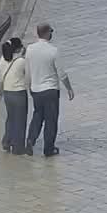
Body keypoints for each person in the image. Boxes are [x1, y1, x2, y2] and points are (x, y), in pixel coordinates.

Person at [25, 23, 72, 157]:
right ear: (46, 33)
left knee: (38, 115)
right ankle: (48, 148)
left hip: (36, 89)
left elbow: (27, 71)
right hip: (50, 90)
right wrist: (69, 88)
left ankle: (30, 139)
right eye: (50, 32)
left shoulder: (30, 50)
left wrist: (29, 87)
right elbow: (61, 73)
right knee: (51, 120)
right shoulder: (53, 51)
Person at [0, 38, 29, 155]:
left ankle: (7, 141)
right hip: (19, 93)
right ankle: (18, 147)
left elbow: (0, 77)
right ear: (18, 49)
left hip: (7, 93)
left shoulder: (2, 59)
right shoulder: (21, 61)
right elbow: (28, 77)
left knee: (10, 118)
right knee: (20, 120)